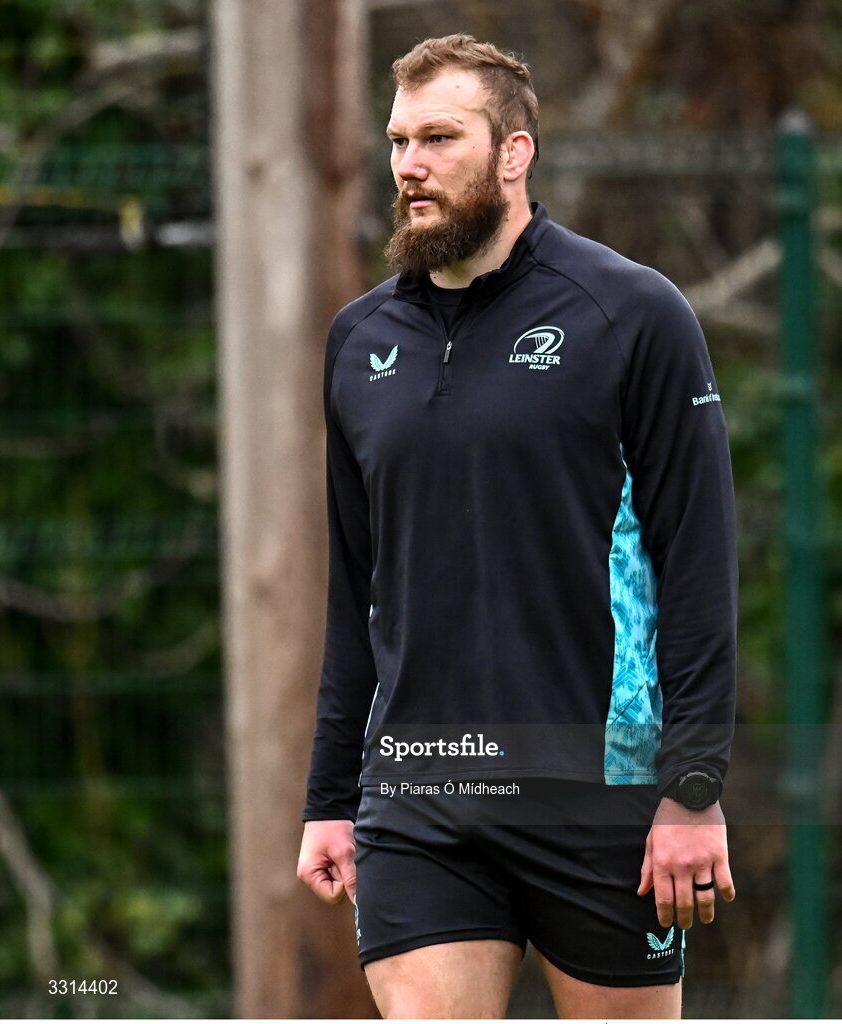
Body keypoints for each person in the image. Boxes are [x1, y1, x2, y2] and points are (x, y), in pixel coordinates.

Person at [297, 34, 737, 1020]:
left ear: (513, 153)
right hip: (419, 796)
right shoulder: (360, 342)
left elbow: (698, 567)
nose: (408, 165)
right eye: (399, 139)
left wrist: (693, 787)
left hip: (599, 795)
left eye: (439, 138)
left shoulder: (633, 315)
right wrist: (330, 793)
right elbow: (356, 586)